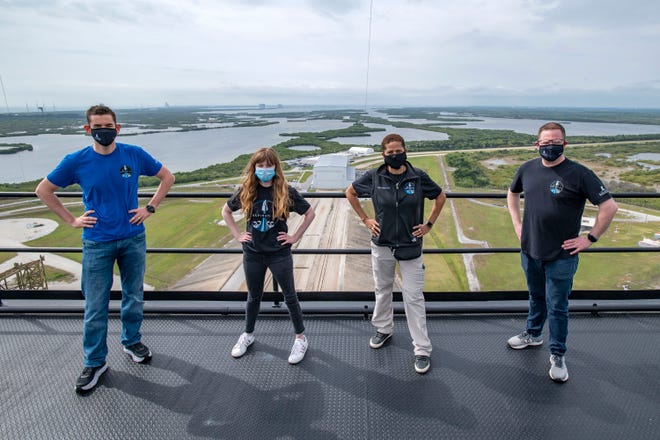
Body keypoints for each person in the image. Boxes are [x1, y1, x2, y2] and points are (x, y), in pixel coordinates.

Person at [35, 104, 175, 393]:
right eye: (97, 127)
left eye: (108, 127)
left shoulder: (133, 155)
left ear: (117, 128)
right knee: (95, 306)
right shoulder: (76, 161)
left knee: (133, 296)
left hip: (133, 238)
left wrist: (150, 207)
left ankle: (131, 341)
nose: (103, 132)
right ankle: (95, 361)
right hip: (97, 242)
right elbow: (43, 190)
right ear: (88, 130)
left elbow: (167, 177)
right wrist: (72, 220)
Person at [506, 122, 618, 382]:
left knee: (557, 307)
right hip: (530, 250)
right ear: (537, 145)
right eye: (545, 143)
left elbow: (609, 206)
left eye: (555, 142)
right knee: (536, 297)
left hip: (562, 255)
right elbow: (512, 194)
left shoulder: (579, 174)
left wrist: (590, 238)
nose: (550, 147)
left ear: (565, 144)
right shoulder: (527, 169)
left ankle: (557, 354)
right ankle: (533, 335)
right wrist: (516, 223)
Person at [345, 133, 446, 374]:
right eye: (389, 152)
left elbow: (440, 197)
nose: (394, 155)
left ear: (405, 150)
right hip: (382, 244)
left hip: (411, 247)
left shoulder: (418, 177)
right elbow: (350, 192)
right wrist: (366, 219)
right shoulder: (374, 176)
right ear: (383, 154)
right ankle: (383, 329)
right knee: (382, 289)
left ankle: (422, 349)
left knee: (413, 297)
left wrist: (428, 225)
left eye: (398, 151)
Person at [222, 147, 315, 365]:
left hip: (279, 254)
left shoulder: (285, 191)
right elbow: (226, 211)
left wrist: (294, 237)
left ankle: (300, 338)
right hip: (253, 253)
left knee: (290, 296)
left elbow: (310, 213)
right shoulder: (247, 190)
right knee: (253, 297)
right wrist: (237, 235)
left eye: (268, 165)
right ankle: (248, 334)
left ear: (275, 167)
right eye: (260, 166)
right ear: (254, 168)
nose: (264, 169)